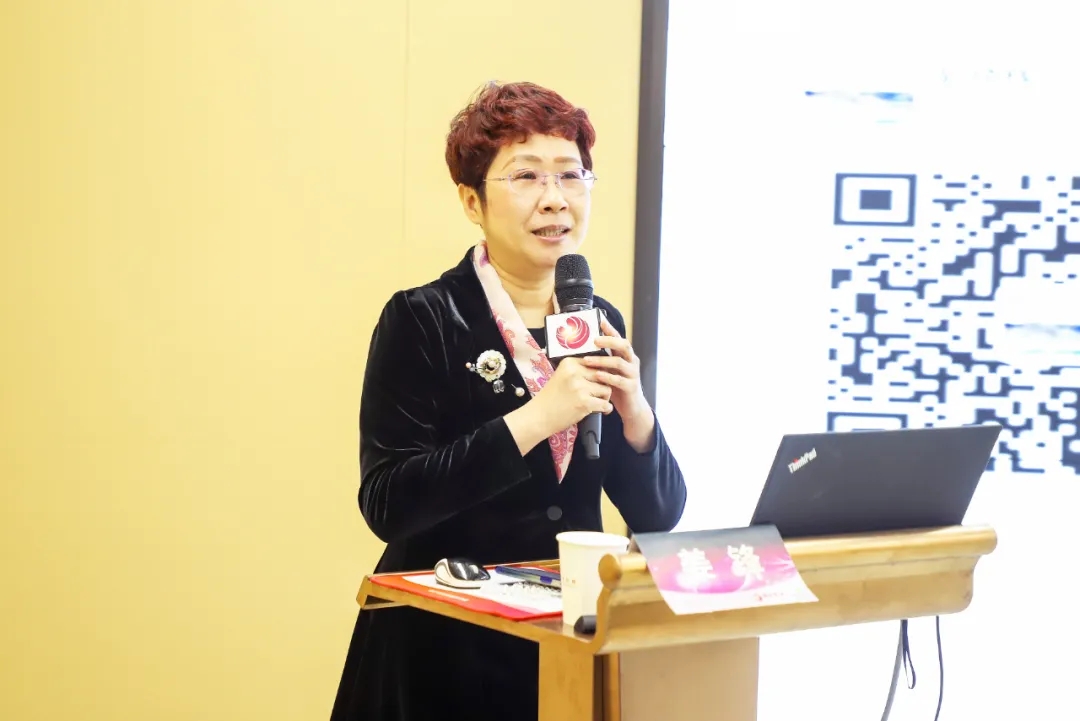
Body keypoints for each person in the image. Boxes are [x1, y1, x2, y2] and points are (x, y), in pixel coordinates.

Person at [329, 80, 687, 721]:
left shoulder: (596, 318)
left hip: (564, 645)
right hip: (443, 653)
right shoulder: (423, 317)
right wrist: (535, 420)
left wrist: (636, 416)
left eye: (571, 175)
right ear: (472, 200)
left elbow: (658, 517)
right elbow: (389, 502)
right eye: (526, 176)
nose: (555, 198)